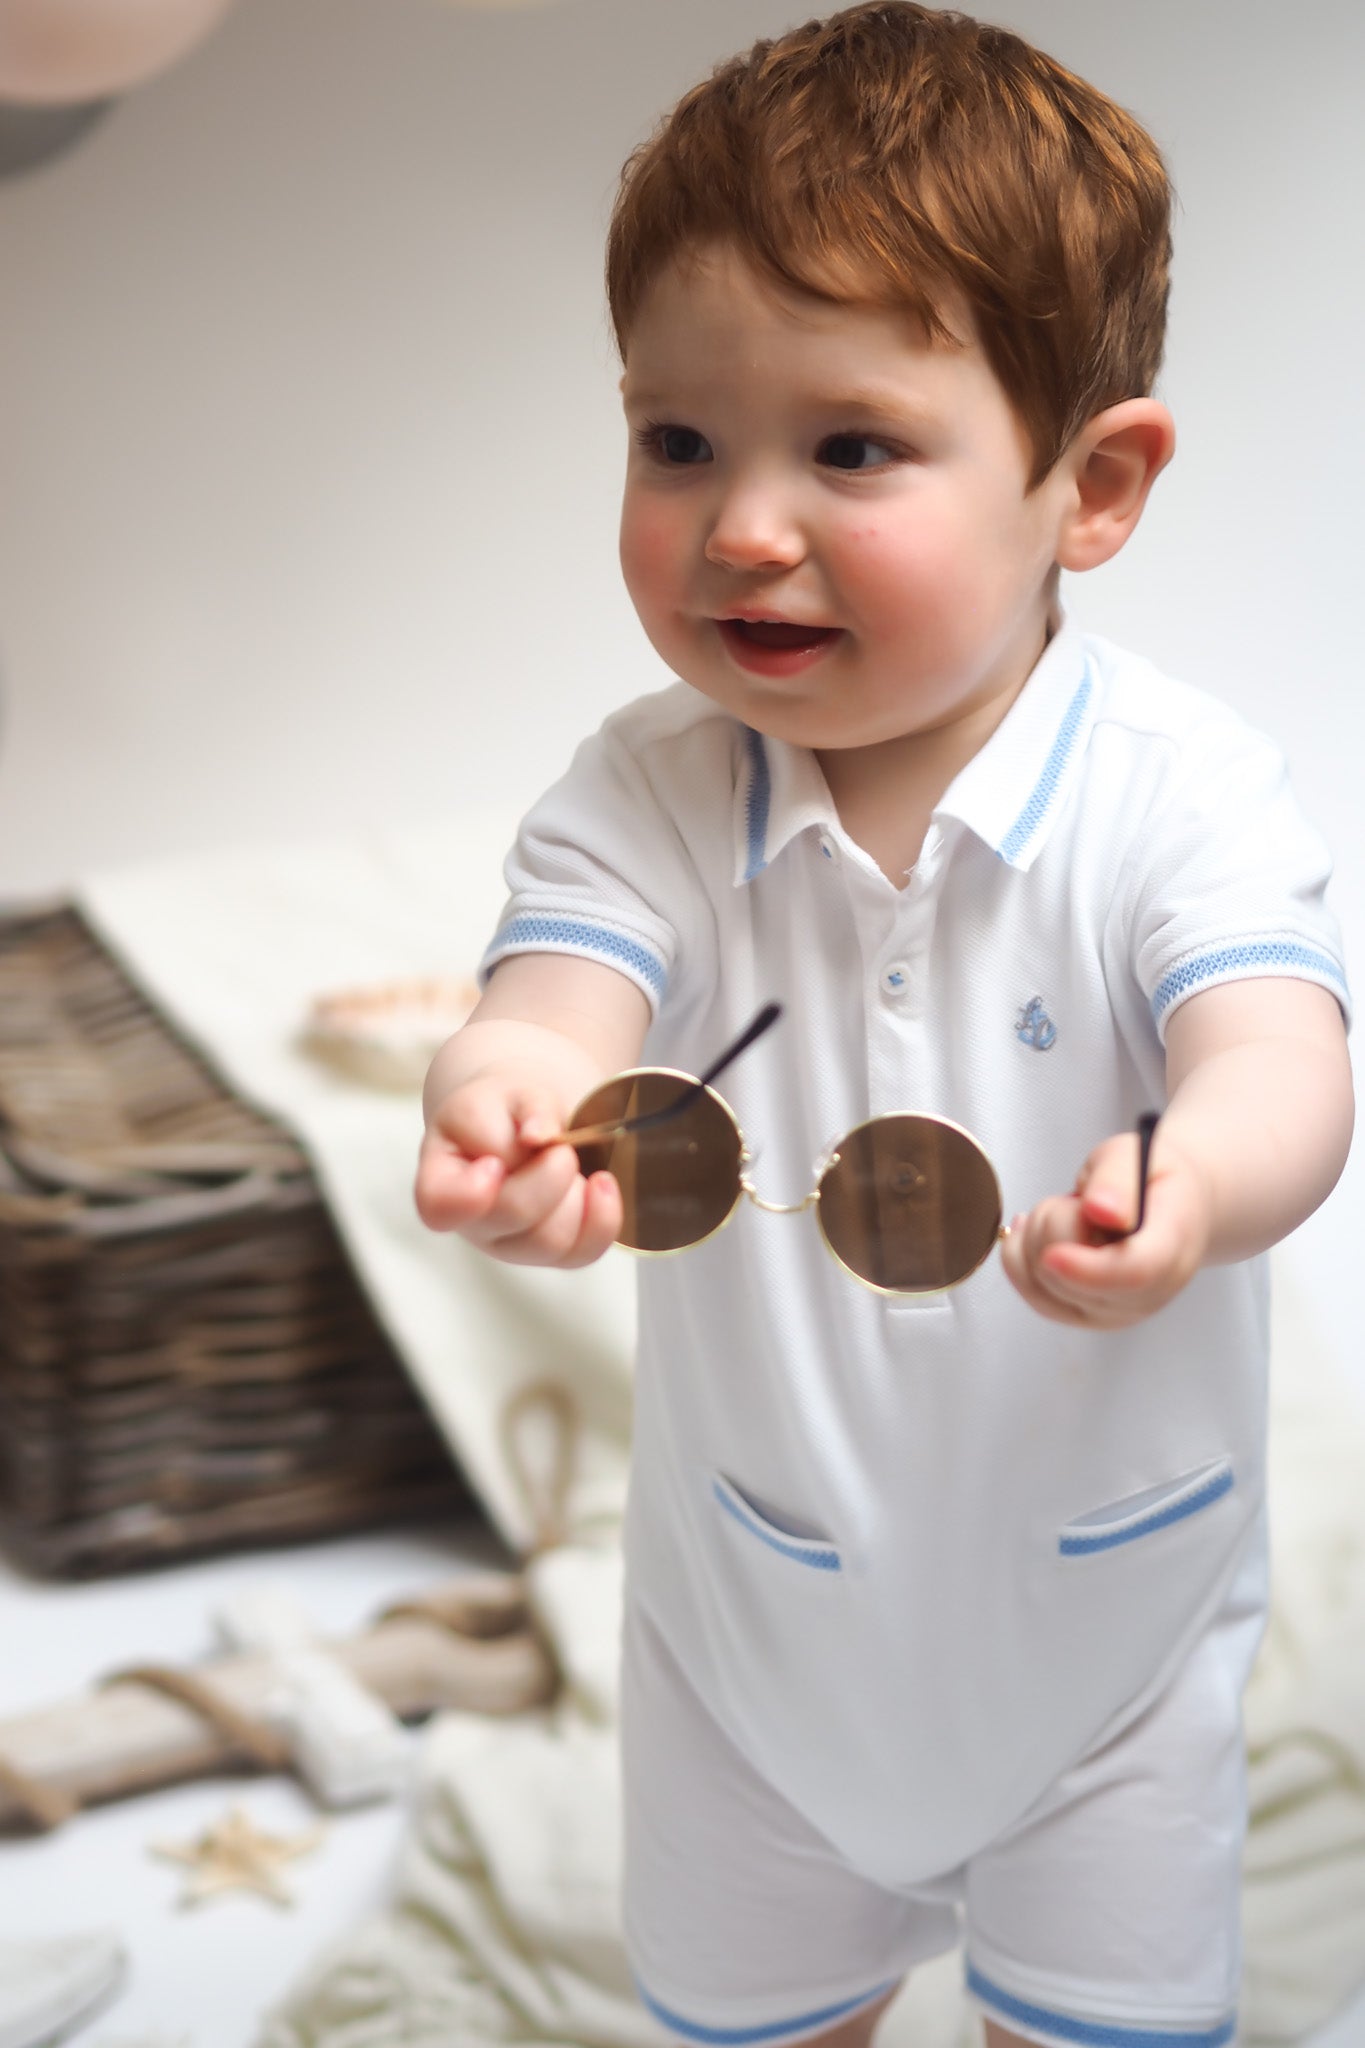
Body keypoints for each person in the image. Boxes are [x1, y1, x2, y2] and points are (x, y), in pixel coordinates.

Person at [415, 7, 1354, 2044]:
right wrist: (507, 1097)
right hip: (757, 1632)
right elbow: (560, 981)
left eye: (847, 447)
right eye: (677, 440)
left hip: (1098, 1634)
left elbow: (1278, 1056)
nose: (739, 523)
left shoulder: (1176, 794)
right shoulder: (649, 788)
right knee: (749, 2011)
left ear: (1087, 485)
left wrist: (1193, 1178)